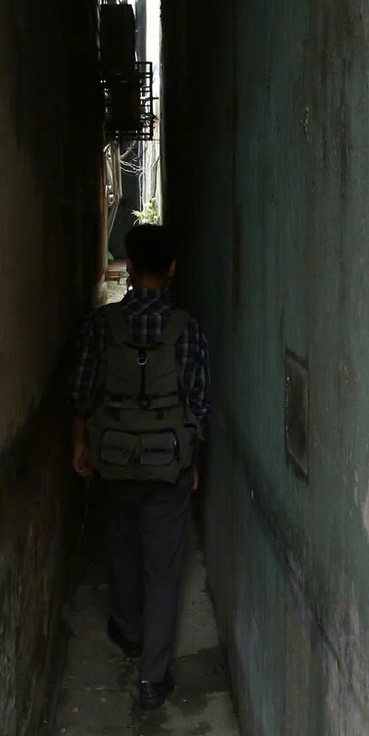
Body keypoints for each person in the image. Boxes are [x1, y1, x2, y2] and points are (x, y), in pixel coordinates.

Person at [71, 224, 211, 709]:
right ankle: (153, 677)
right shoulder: (187, 329)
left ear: (129, 267)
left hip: (113, 457)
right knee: (164, 566)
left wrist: (81, 444)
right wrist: (190, 460)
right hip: (167, 464)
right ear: (172, 269)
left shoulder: (101, 325)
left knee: (121, 546)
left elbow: (83, 393)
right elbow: (197, 401)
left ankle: (128, 633)